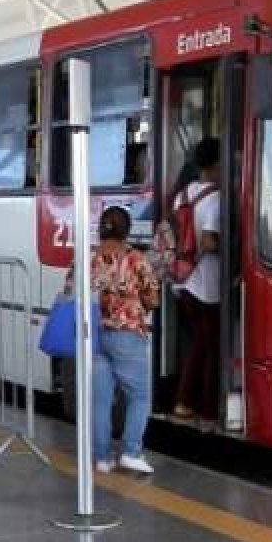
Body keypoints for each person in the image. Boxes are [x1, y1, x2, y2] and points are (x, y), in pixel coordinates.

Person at [91, 206, 160, 474]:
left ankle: (102, 458)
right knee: (139, 396)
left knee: (100, 399)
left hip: (94, 334)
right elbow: (152, 299)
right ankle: (131, 451)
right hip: (126, 333)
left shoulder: (88, 258)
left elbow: (71, 290)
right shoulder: (134, 259)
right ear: (127, 231)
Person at [172, 137, 222, 422]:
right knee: (208, 346)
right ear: (216, 165)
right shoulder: (216, 198)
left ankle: (188, 402)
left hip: (182, 280)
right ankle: (197, 404)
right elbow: (209, 242)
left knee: (198, 343)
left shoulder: (183, 195)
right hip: (206, 283)